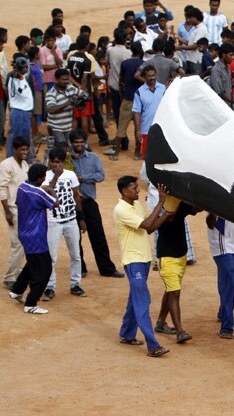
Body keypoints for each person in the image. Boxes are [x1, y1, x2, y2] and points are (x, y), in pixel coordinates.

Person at [113, 176, 171, 357]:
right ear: (124, 191)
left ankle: (127, 333)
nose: (138, 191)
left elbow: (150, 228)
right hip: (133, 261)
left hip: (143, 259)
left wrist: (166, 215)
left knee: (135, 299)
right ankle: (153, 345)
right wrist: (161, 203)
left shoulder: (135, 205)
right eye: (134, 188)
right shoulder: (121, 209)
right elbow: (146, 225)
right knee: (142, 301)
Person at [69, 129, 123, 278]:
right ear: (71, 143)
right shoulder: (67, 159)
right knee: (75, 238)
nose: (79, 145)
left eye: (81, 142)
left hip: (88, 202)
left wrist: (82, 178)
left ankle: (107, 269)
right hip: (72, 203)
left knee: (98, 236)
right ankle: (81, 269)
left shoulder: (93, 158)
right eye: (76, 142)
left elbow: (101, 176)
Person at [8, 164, 59, 314]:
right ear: (39, 179)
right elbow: (55, 203)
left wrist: (48, 186)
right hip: (36, 237)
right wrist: (50, 190)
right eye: (43, 177)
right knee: (44, 269)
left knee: (32, 263)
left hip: (24, 233)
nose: (44, 180)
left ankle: (16, 290)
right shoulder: (39, 193)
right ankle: (31, 303)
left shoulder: (22, 187)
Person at [42, 147, 88, 301]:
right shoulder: (46, 177)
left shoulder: (71, 175)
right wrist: (55, 177)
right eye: (54, 162)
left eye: (59, 162)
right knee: (52, 257)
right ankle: (50, 287)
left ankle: (75, 284)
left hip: (70, 220)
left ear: (63, 162)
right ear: (50, 162)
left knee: (76, 255)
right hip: (53, 222)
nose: (56, 165)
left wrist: (81, 218)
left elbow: (76, 196)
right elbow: (46, 193)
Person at [155, 200, 198, 344]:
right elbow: (169, 217)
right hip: (167, 258)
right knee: (175, 292)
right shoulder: (160, 209)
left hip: (180, 256)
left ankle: (161, 322)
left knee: (171, 290)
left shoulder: (181, 204)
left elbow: (195, 209)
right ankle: (180, 331)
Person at [0, 137, 31, 288]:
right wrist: (7, 212)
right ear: (15, 150)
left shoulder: (24, 165)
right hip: (13, 208)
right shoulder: (6, 165)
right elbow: (2, 188)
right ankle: (10, 277)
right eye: (22, 149)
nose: (25, 152)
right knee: (17, 243)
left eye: (26, 149)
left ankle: (16, 274)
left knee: (22, 244)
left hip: (24, 209)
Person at [207, 213, 234, 339]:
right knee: (228, 281)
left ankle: (224, 313)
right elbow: (209, 222)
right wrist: (213, 211)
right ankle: (226, 326)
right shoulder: (216, 197)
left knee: (232, 279)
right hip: (221, 244)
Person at [46, 69, 87, 148]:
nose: (66, 81)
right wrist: (69, 102)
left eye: (67, 79)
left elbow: (84, 93)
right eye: (63, 79)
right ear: (56, 79)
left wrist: (81, 98)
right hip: (56, 127)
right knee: (63, 148)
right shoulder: (51, 93)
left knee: (70, 147)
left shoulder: (70, 88)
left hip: (68, 126)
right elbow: (51, 110)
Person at [132, 65, 166, 159]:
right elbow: (137, 112)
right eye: (149, 76)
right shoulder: (139, 92)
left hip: (162, 129)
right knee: (147, 158)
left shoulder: (164, 89)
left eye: (153, 75)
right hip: (146, 130)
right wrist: (138, 130)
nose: (152, 78)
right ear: (144, 77)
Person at [6, 58, 35, 159]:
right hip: (20, 113)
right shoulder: (16, 79)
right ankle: (14, 160)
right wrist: (18, 76)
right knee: (19, 139)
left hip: (23, 112)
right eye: (26, 67)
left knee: (23, 137)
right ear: (20, 68)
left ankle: (22, 160)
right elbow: (20, 91)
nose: (28, 68)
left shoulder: (20, 77)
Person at [177, 7, 209, 75]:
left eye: (189, 18)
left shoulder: (201, 29)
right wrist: (179, 39)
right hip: (191, 59)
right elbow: (191, 43)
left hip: (196, 61)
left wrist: (179, 47)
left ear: (194, 18)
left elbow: (195, 46)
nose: (188, 20)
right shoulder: (196, 28)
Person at [210, 43, 234, 110]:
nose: (233, 58)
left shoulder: (227, 67)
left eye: (233, 55)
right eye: (231, 55)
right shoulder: (216, 70)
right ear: (224, 55)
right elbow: (219, 92)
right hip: (222, 107)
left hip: (229, 105)